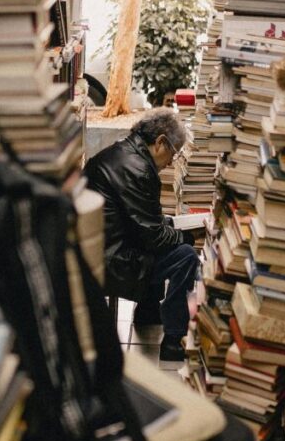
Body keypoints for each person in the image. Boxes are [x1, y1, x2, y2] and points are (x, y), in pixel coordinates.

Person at [84, 109, 199, 367]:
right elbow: (154, 237)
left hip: (101, 247)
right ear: (160, 142)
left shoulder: (121, 152)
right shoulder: (139, 169)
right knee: (185, 257)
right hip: (113, 261)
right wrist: (186, 237)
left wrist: (170, 229)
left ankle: (147, 311)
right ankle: (172, 340)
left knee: (167, 231)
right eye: (174, 153)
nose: (171, 163)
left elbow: (143, 221)